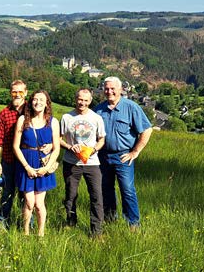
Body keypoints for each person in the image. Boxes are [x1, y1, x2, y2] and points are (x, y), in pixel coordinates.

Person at [94, 76, 152, 230]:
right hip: (103, 156)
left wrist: (135, 151)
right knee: (105, 190)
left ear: (120, 90)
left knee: (127, 190)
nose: (109, 91)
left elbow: (146, 129)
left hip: (123, 156)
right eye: (106, 88)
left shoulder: (131, 107)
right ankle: (110, 221)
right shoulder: (98, 109)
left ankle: (133, 224)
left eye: (113, 88)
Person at [13, 90, 60, 236]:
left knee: (39, 204)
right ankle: (25, 232)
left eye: (41, 100)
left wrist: (46, 168)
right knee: (29, 202)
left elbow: (56, 148)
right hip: (26, 163)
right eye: (35, 99)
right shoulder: (22, 120)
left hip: (43, 165)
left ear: (47, 103)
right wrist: (26, 167)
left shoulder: (53, 121)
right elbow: (16, 146)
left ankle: (41, 234)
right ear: (31, 102)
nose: (38, 102)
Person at [60, 88, 106, 237]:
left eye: (86, 100)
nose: (82, 103)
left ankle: (96, 232)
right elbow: (59, 139)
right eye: (80, 99)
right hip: (71, 162)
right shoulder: (67, 117)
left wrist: (93, 150)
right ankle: (71, 222)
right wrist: (69, 147)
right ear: (76, 99)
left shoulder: (96, 118)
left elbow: (101, 140)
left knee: (96, 196)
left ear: (90, 101)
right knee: (70, 195)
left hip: (92, 163)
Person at [0, 80, 29, 229]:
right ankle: (2, 222)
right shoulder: (4, 113)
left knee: (27, 195)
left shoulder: (31, 110)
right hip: (8, 160)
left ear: (26, 93)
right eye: (14, 92)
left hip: (28, 161)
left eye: (20, 92)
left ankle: (28, 225)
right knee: (7, 193)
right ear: (10, 93)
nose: (17, 95)